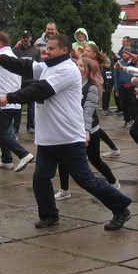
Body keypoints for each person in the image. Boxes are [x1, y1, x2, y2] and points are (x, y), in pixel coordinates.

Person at [0, 33, 133, 231]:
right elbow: (25, 66)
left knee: (85, 179)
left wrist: (9, 97)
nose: (46, 51)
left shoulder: (67, 70)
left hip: (67, 137)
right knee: (40, 178)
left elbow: (41, 89)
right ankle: (49, 215)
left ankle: (121, 207)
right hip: (48, 138)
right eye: (46, 48)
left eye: (51, 48)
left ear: (64, 50)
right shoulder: (47, 66)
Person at [55, 57, 120, 200]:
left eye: (81, 66)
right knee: (63, 159)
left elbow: (88, 110)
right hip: (71, 129)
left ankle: (114, 183)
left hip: (89, 129)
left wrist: (86, 131)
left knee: (95, 160)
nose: (78, 67)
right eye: (76, 65)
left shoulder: (91, 87)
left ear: (88, 70)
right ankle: (64, 189)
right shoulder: (71, 82)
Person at [0, 32, 35, 173]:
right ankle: (6, 160)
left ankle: (23, 154)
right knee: (6, 131)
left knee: (1, 133)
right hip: (13, 103)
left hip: (3, 102)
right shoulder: (13, 56)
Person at [13, 30, 41, 134]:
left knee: (31, 105)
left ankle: (31, 126)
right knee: (18, 104)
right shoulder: (17, 50)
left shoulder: (36, 50)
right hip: (20, 80)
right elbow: (10, 56)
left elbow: (40, 64)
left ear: (31, 38)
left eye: (27, 37)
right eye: (23, 37)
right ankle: (15, 126)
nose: (25, 39)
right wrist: (15, 47)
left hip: (31, 80)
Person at [115, 36, 138, 127]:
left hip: (132, 86)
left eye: (126, 54)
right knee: (124, 104)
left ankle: (133, 118)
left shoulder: (133, 63)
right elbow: (116, 76)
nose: (124, 55)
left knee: (133, 103)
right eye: (123, 53)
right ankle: (126, 119)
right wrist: (116, 89)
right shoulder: (119, 63)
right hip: (122, 86)